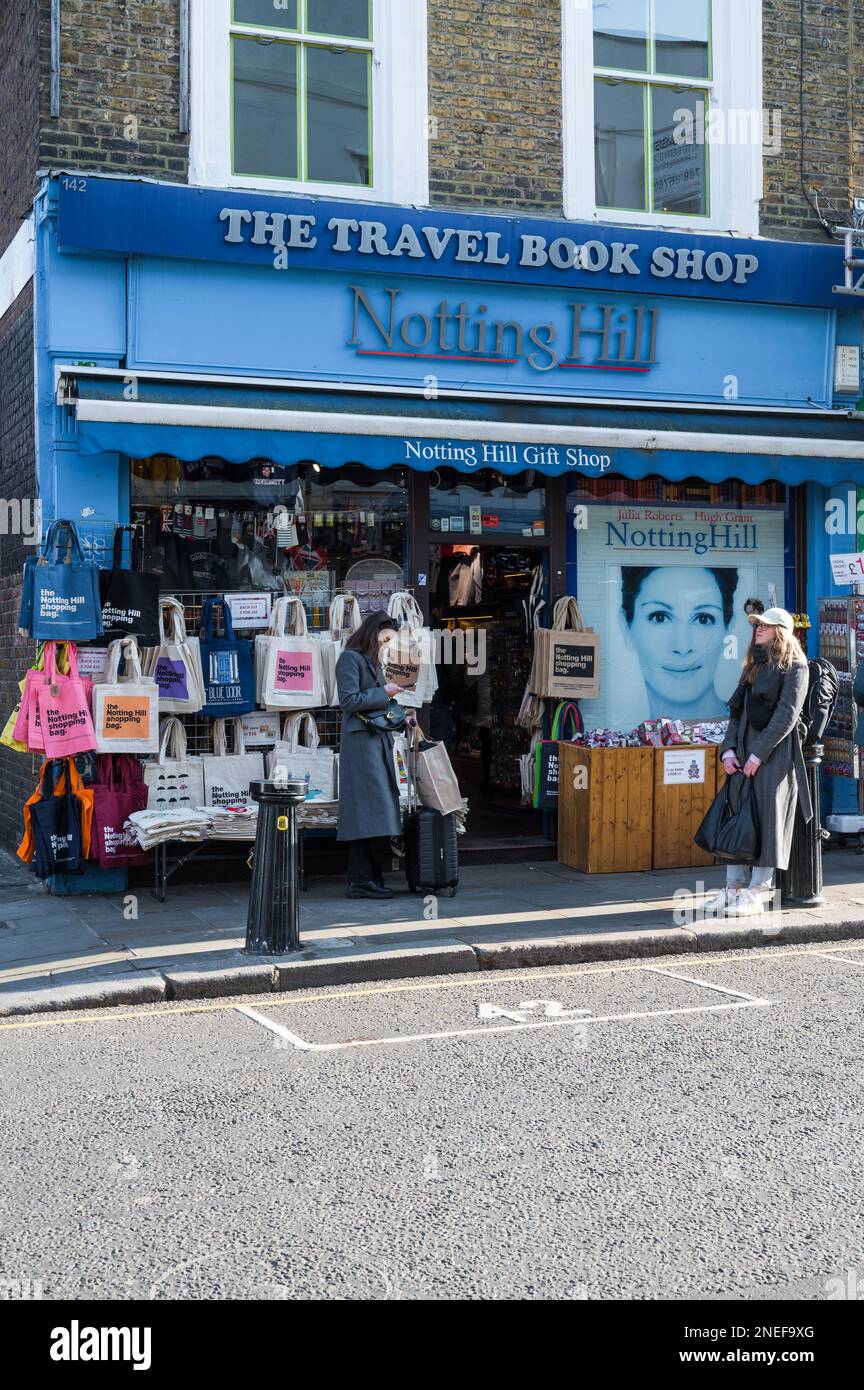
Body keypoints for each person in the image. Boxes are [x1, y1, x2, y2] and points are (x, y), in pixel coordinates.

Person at [707, 607, 813, 917]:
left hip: (775, 757)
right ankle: (732, 889)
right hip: (743, 752)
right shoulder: (753, 665)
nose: (757, 629)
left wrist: (758, 755)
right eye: (756, 625)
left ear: (779, 631)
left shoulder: (797, 667)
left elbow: (785, 717)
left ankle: (757, 892)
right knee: (738, 818)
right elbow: (735, 711)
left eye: (764, 625)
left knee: (768, 822)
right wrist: (728, 750)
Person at [335, 610, 403, 900]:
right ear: (373, 633)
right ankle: (362, 880)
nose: (388, 644)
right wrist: (385, 693)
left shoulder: (370, 660)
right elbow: (349, 701)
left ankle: (366, 877)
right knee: (368, 812)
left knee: (373, 812)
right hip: (362, 745)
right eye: (385, 638)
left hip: (373, 743)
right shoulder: (350, 658)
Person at [620, 566, 739, 721]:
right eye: (659, 617)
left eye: (703, 619)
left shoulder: (744, 734)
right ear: (626, 628)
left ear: (728, 629)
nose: (682, 647)